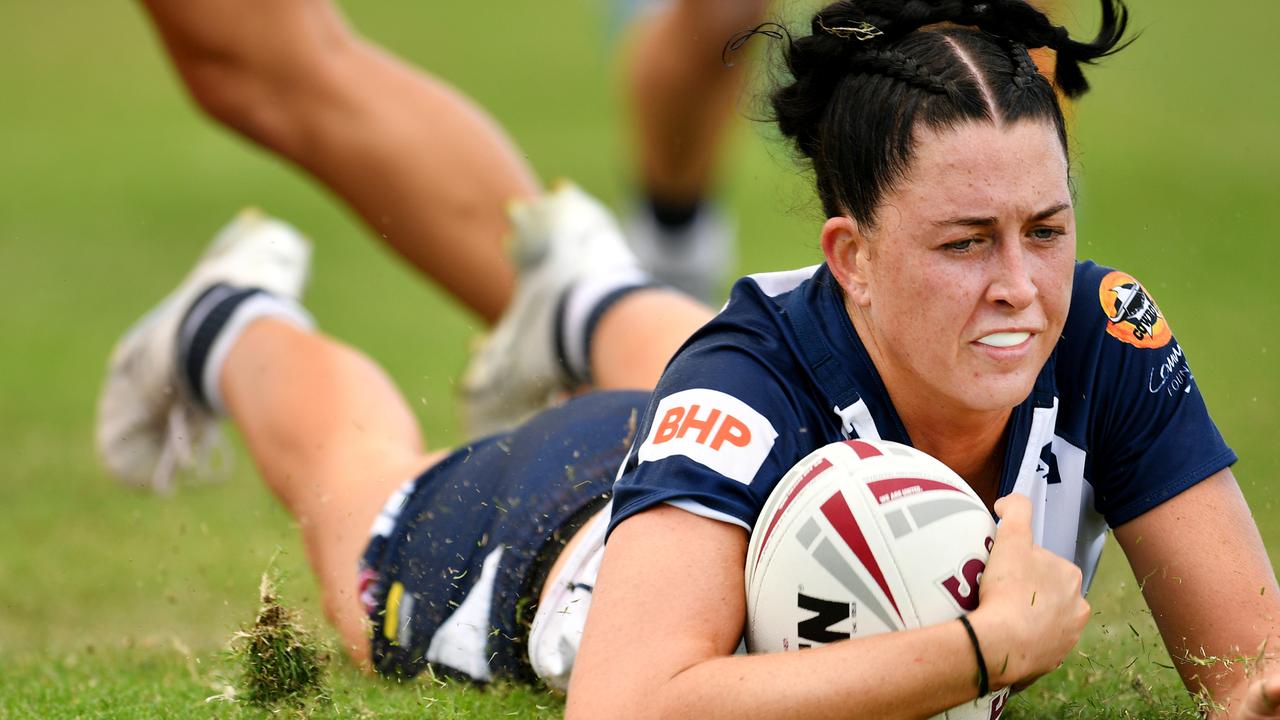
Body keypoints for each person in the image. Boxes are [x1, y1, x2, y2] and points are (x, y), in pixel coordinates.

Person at [101, 2, 1280, 720]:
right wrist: (979, 651)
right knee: (361, 501)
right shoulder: (745, 378)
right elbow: (624, 707)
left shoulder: (1105, 330)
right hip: (549, 534)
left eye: (1046, 229)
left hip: (721, 443)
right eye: (964, 242)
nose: (1022, 285)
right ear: (850, 255)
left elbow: (1244, 666)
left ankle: (588, 292)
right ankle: (232, 322)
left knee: (761, 378)